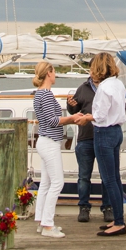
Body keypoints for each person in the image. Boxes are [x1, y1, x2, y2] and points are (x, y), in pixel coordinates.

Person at [31, 60, 86, 238]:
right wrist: (72, 118)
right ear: (49, 73)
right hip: (49, 142)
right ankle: (47, 224)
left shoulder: (40, 94)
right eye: (54, 71)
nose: (56, 74)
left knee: (46, 183)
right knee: (57, 183)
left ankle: (41, 220)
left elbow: (49, 118)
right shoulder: (45, 95)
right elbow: (53, 121)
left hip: (45, 141)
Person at [86, 52, 126, 237]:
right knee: (115, 178)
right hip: (117, 131)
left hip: (103, 132)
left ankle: (119, 222)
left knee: (108, 179)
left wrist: (86, 117)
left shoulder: (103, 88)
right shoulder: (118, 84)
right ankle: (118, 217)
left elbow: (100, 115)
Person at [66, 54, 112, 224]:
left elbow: (121, 108)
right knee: (84, 176)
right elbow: (75, 111)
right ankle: (84, 207)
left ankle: (107, 207)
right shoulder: (83, 88)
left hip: (105, 136)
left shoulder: (110, 87)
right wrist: (71, 105)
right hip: (85, 137)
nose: (92, 72)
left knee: (106, 176)